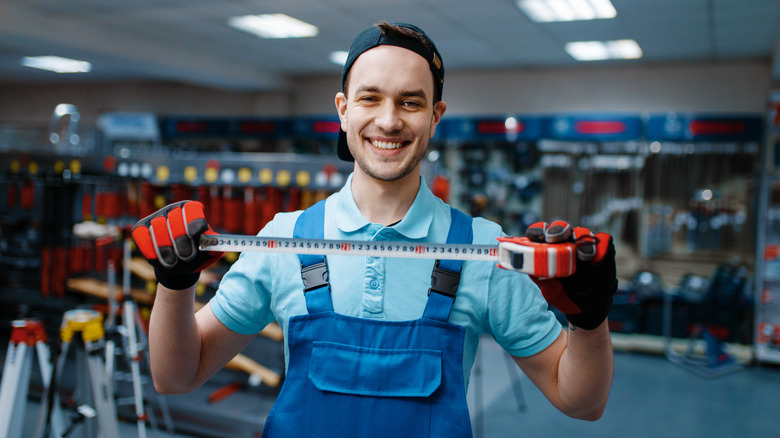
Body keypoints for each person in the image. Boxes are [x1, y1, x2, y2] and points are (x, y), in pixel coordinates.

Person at [131, 21, 616, 437]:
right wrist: (175, 285)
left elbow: (580, 402)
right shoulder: (285, 237)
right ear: (343, 110)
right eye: (370, 98)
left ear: (435, 117)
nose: (388, 120)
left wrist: (589, 319)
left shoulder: (482, 249)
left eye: (410, 102)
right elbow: (177, 376)